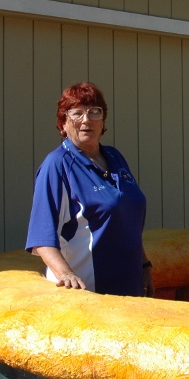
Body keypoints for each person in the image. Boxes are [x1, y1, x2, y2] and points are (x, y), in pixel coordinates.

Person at [26, 82, 154, 297]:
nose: (86, 120)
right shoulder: (57, 165)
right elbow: (42, 239)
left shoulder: (115, 157)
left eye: (94, 112)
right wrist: (66, 275)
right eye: (77, 113)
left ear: (103, 120)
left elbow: (123, 221)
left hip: (129, 294)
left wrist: (144, 266)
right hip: (88, 298)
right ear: (63, 123)